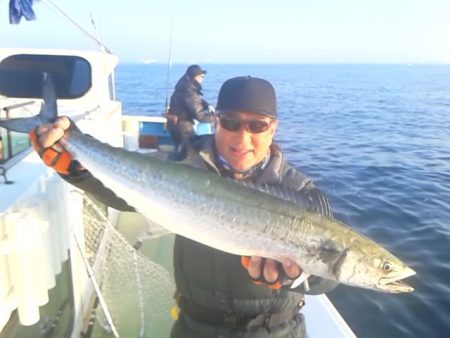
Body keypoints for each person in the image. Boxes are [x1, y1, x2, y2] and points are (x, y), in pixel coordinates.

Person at [31, 76, 338, 338]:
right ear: (216, 122)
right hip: (196, 326)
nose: (243, 137)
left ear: (273, 129)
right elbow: (128, 193)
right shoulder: (185, 165)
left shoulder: (299, 192)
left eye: (257, 125)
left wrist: (292, 276)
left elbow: (329, 274)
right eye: (231, 122)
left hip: (277, 331)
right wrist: (76, 168)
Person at [166, 64, 215, 150]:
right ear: (195, 77)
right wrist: (216, 118)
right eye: (201, 76)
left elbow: (196, 100)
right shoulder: (190, 92)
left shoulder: (183, 86)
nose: (202, 78)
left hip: (173, 125)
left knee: (180, 148)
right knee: (192, 151)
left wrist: (207, 105)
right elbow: (200, 116)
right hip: (183, 128)